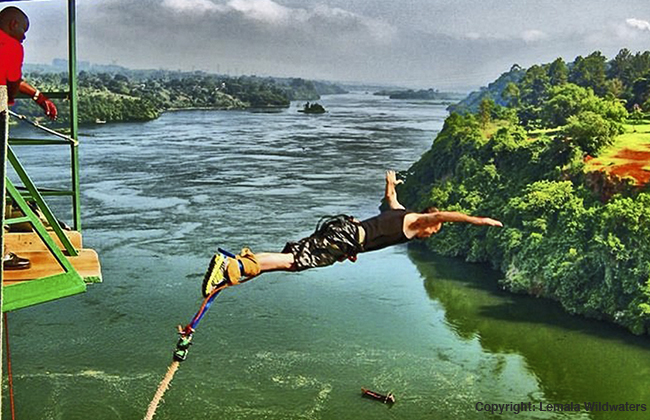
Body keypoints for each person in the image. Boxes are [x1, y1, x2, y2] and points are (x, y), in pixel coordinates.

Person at [201, 170, 503, 296]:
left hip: (344, 235)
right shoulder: (417, 222)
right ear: (429, 221)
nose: (432, 233)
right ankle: (234, 266)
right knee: (294, 262)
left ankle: (244, 264)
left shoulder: (400, 213)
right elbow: (440, 215)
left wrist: (391, 182)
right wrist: (478, 221)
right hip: (344, 238)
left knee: (293, 259)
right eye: (434, 229)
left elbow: (390, 199)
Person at [1, 6, 58, 270]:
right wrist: (13, 98)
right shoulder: (10, 45)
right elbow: (12, 80)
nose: (24, 37)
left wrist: (37, 96)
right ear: (13, 24)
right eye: (23, 30)